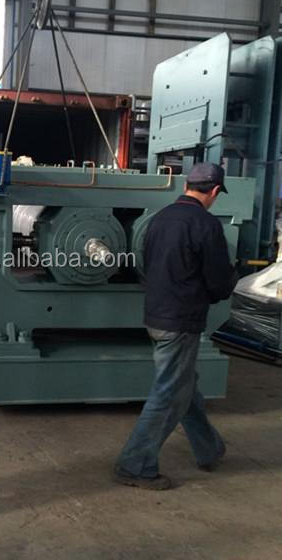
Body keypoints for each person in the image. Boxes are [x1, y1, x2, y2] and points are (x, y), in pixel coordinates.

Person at [114, 163, 236, 490]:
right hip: (182, 321)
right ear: (214, 191)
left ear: (186, 185)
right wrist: (229, 279)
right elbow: (219, 282)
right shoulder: (206, 224)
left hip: (156, 316)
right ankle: (134, 465)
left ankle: (209, 449)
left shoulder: (159, 219)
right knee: (169, 394)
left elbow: (145, 263)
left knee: (184, 387)